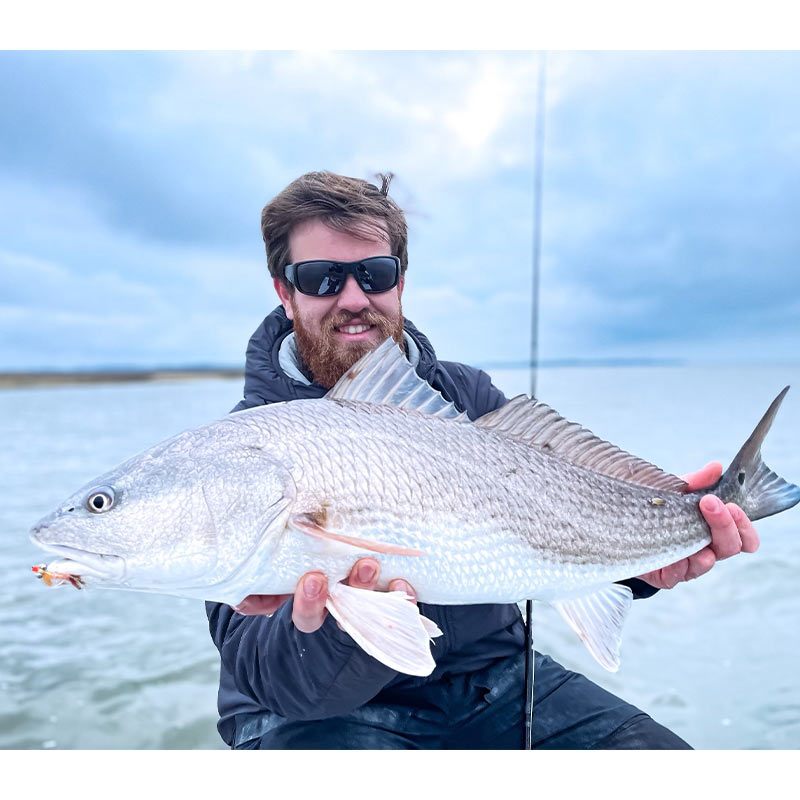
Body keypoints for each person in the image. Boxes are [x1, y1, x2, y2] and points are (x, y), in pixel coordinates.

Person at [206, 171, 760, 749]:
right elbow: (277, 683)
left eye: (375, 274)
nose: (352, 298)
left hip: (491, 683)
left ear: (400, 284)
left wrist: (647, 554)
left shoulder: (466, 400)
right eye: (321, 278)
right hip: (316, 716)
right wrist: (355, 616)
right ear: (284, 293)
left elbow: (553, 528)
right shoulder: (240, 452)